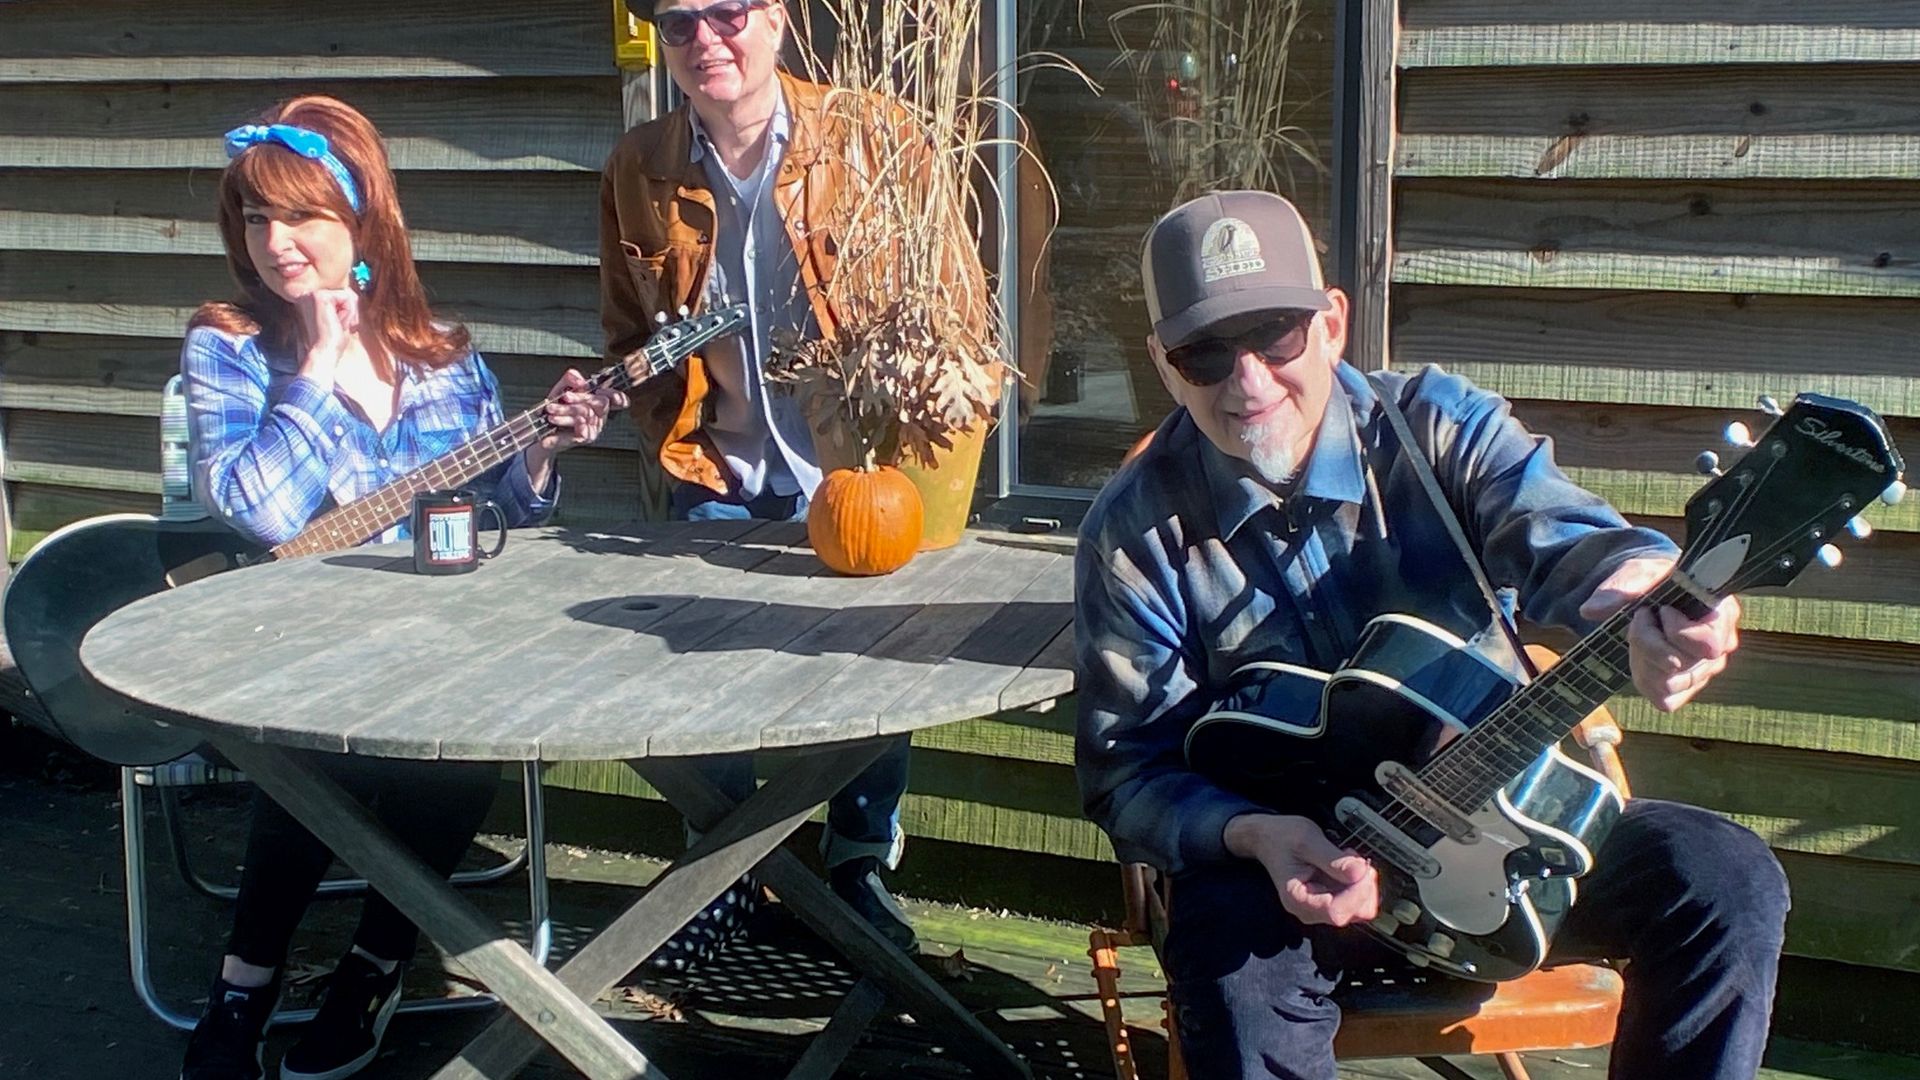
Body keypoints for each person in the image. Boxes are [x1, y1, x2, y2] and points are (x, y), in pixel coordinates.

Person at [1073, 190, 1787, 1080]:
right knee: (1229, 961)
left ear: (1332, 324)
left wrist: (1644, 595)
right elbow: (1127, 771)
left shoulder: (1438, 426)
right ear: (1163, 365)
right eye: (1204, 354)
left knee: (1725, 877)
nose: (1247, 382)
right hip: (1285, 874)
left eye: (1275, 336)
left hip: (1498, 831)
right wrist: (1253, 834)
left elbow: (1574, 540)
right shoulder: (1133, 531)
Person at [177, 95, 624, 1080]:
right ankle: (244, 987)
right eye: (255, 216)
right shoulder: (229, 346)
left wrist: (542, 451)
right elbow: (259, 509)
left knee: (462, 733)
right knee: (309, 749)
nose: (275, 242)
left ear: (362, 220)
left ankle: (376, 962)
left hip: (434, 645)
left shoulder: (444, 355)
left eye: (302, 216)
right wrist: (318, 365)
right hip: (290, 647)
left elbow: (499, 512)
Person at [599, 0, 974, 963]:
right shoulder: (639, 167)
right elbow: (629, 332)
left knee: (867, 675)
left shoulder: (874, 136)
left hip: (855, 474)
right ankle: (720, 874)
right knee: (704, 680)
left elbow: (955, 302)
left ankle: (856, 865)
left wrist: (914, 415)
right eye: (678, 23)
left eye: (727, 12)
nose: (705, 40)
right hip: (716, 469)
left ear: (775, 19)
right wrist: (658, 427)